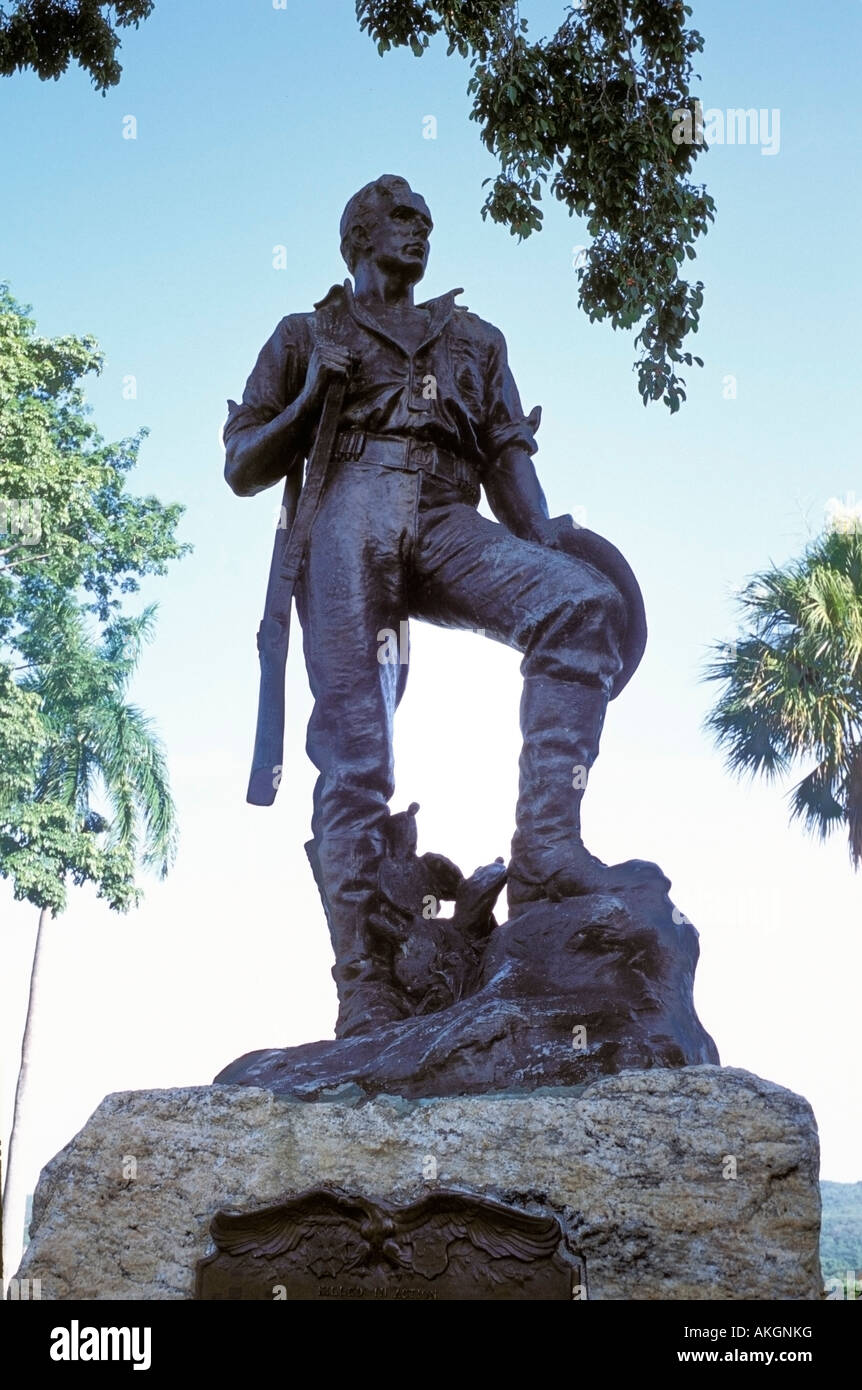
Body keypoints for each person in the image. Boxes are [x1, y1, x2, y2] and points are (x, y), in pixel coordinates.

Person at [224, 175, 658, 1038]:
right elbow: (242, 463)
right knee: (357, 756)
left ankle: (545, 853)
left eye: (427, 220)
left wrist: (546, 538)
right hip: (349, 514)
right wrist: (312, 399)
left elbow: (507, 453)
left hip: (448, 514)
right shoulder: (306, 333)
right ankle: (364, 982)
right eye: (401, 218)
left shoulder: (476, 339)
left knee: (579, 605)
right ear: (357, 235)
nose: (420, 232)